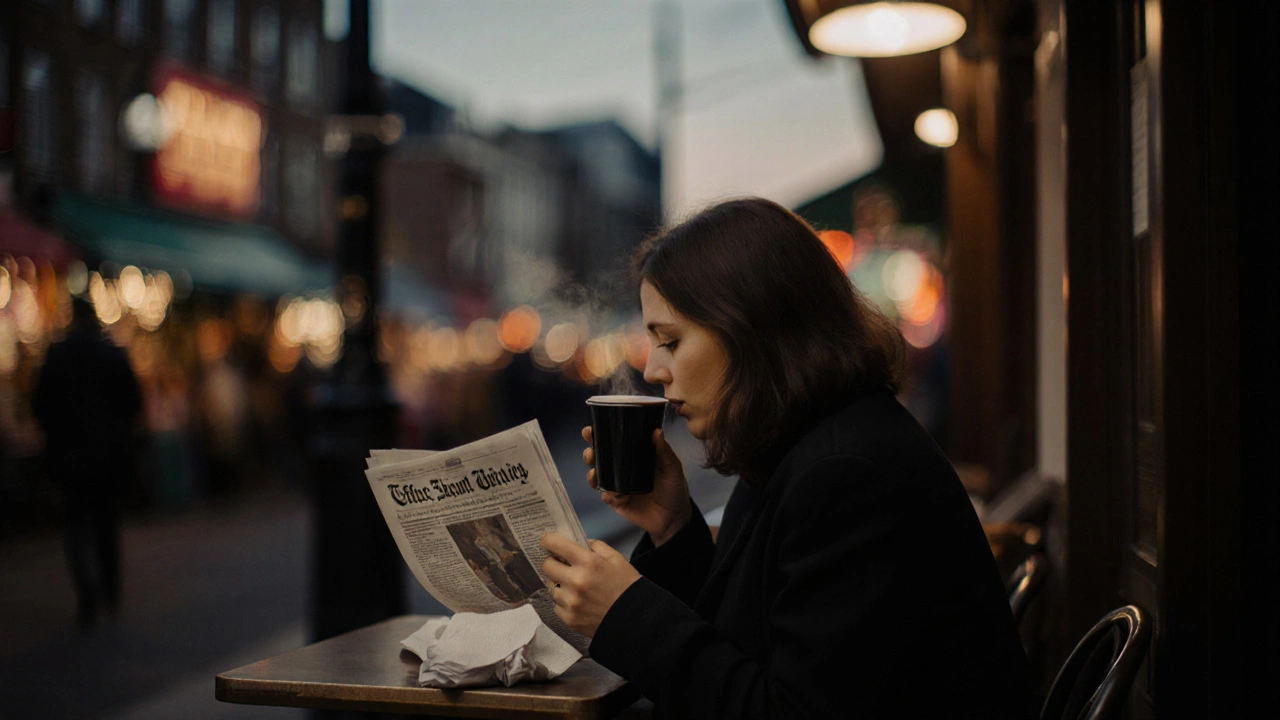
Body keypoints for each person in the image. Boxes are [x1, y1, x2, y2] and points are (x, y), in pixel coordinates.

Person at [540, 198, 1034, 719]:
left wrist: (626, 614)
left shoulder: (848, 475)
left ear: (752, 330)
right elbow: (745, 635)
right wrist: (673, 526)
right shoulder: (809, 441)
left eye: (671, 340)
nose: (656, 370)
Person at [32, 296, 143, 628]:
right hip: (108, 457)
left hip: (69, 459)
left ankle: (87, 593)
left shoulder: (57, 356)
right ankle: (110, 590)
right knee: (106, 525)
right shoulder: (112, 355)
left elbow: (40, 407)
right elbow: (134, 404)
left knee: (76, 527)